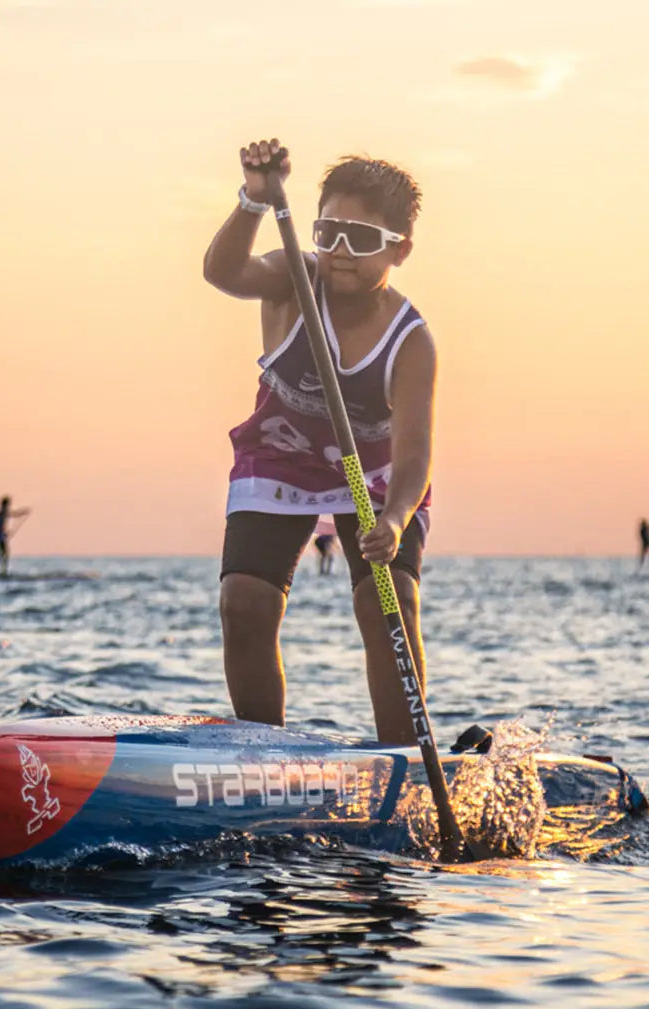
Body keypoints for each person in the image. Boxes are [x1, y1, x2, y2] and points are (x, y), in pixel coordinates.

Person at [204, 138, 434, 747]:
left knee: (389, 605)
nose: (339, 252)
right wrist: (254, 202)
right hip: (280, 455)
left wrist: (394, 518)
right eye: (329, 231)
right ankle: (263, 755)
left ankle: (403, 757)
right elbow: (222, 273)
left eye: (361, 240)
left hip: (377, 477)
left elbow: (414, 455)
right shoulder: (292, 278)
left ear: (399, 249)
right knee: (245, 604)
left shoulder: (410, 341)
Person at [0, 496, 30, 576]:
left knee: (1, 553)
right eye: (8, 504)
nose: (8, 506)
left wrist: (23, 512)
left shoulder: (0, 513)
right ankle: (1, 571)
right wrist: (24, 512)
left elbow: (13, 515)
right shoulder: (2, 513)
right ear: (4, 505)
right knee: (4, 553)